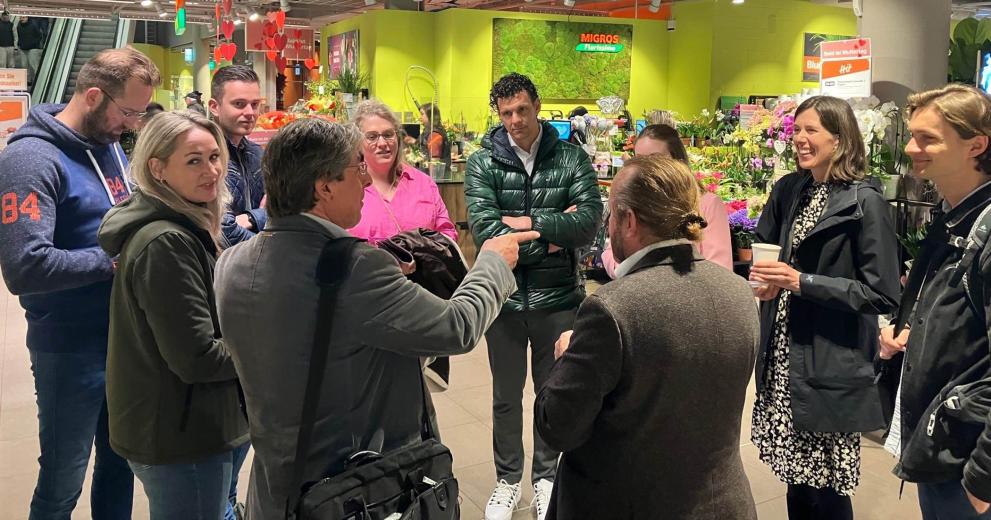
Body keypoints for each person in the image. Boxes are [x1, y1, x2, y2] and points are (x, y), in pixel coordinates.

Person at [213, 117, 539, 519]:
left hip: (277, 482)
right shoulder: (354, 266)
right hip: (356, 485)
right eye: (357, 167)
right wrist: (491, 263)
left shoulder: (231, 262)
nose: (367, 181)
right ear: (324, 186)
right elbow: (457, 327)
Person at [534, 155, 759, 519]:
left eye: (611, 216)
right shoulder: (738, 292)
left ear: (629, 220)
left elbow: (557, 427)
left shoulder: (610, 309)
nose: (607, 228)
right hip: (723, 505)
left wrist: (565, 358)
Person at [0, 47, 159, 519]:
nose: (132, 124)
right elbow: (24, 266)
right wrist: (115, 261)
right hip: (69, 348)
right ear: (93, 96)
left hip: (124, 341)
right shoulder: (30, 160)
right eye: (127, 111)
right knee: (62, 480)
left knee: (119, 467)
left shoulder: (107, 144)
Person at [748, 95, 900, 519]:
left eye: (811, 130)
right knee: (795, 477)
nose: (799, 138)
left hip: (829, 359)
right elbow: (768, 253)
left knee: (828, 487)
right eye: (796, 129)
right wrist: (765, 286)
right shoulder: (790, 189)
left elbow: (882, 294)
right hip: (783, 355)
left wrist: (801, 282)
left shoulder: (864, 202)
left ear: (840, 138)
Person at [98, 111, 249, 520]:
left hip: (192, 423)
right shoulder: (166, 242)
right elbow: (196, 357)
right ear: (158, 168)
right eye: (194, 160)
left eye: (216, 157)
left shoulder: (186, 224)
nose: (212, 171)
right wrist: (267, 349)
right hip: (181, 434)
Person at [465, 72, 603, 520]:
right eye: (506, 113)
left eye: (522, 109)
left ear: (538, 106)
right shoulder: (483, 162)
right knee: (506, 397)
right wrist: (551, 229)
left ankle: (546, 478)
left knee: (553, 393)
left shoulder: (571, 157)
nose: (515, 120)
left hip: (559, 300)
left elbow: (587, 223)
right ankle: (508, 480)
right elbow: (486, 233)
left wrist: (523, 224)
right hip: (501, 303)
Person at [878, 84, 991, 519]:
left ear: (975, 145)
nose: (911, 148)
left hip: (968, 460)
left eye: (927, 138)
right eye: (911, 135)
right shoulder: (952, 216)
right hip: (941, 443)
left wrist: (983, 476)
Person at [600, 123, 733, 275]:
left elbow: (720, 270)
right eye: (639, 160)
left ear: (677, 161)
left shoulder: (707, 203)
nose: (646, 169)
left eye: (656, 160)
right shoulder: (633, 203)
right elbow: (611, 253)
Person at [348, 99, 457, 244]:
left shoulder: (424, 184)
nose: (382, 143)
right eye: (372, 137)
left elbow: (447, 234)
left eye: (388, 135)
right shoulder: (345, 187)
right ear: (358, 142)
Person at [208, 65, 266, 246]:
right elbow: (220, 230)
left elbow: (284, 210)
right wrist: (267, 246)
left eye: (255, 104)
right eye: (239, 104)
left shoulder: (257, 154)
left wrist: (251, 218)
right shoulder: (204, 158)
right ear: (214, 107)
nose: (250, 113)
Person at [417, 102, 452, 171]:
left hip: (434, 177)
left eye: (422, 114)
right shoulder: (429, 131)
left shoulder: (434, 135)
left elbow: (434, 163)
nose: (420, 117)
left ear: (430, 116)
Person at [17, 16, 43, 85]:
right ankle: (28, 80)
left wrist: (34, 43)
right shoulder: (18, 25)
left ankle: (37, 80)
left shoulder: (33, 24)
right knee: (24, 65)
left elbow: (39, 35)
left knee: (33, 65)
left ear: (27, 18)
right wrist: (19, 44)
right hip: (23, 48)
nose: (22, 19)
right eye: (21, 18)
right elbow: (19, 35)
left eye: (24, 18)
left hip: (33, 48)